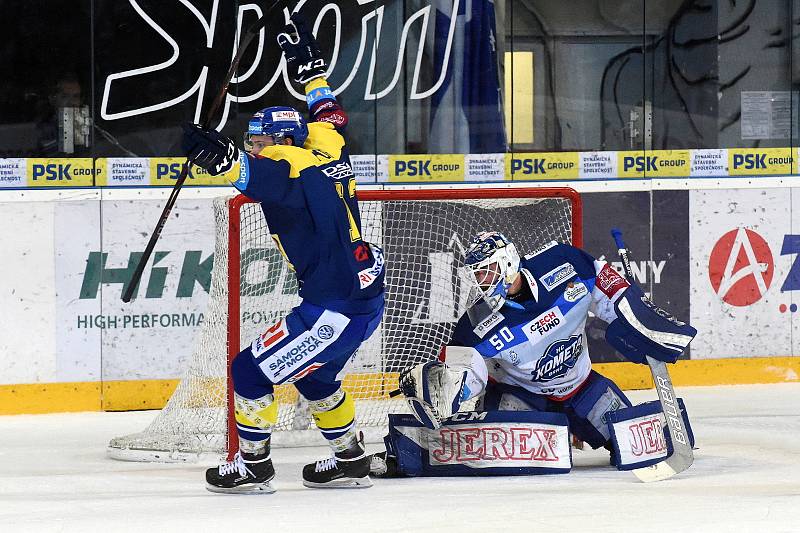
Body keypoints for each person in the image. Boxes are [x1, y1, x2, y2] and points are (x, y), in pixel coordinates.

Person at [182, 13, 385, 493]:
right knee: (315, 378)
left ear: (282, 142)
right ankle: (350, 459)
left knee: (248, 372)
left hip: (332, 306)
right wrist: (310, 69)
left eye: (259, 140)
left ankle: (254, 466)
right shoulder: (329, 148)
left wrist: (218, 156)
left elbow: (242, 172)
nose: (255, 146)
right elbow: (329, 115)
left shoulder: (285, 165)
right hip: (363, 296)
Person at [370, 231, 696, 477]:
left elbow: (605, 285)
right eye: (475, 275)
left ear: (508, 261)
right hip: (521, 396)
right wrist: (448, 385)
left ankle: (573, 429)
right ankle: (554, 433)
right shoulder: (476, 324)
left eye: (486, 271)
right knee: (498, 452)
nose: (481, 282)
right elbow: (466, 369)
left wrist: (633, 316)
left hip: (580, 386)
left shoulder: (563, 263)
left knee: (640, 443)